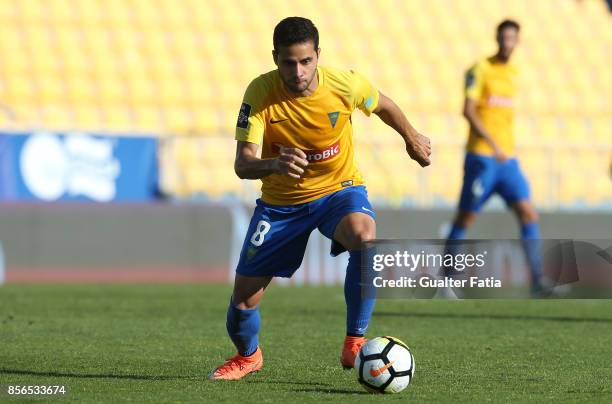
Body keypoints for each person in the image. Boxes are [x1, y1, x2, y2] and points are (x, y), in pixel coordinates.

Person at [209, 16, 431, 380]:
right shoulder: (260, 93)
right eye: (288, 62)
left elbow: (385, 106)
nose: (297, 71)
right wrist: (274, 163)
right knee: (243, 302)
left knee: (366, 238)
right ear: (275, 58)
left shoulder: (346, 84)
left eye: (305, 61)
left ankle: (355, 340)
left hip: (338, 190)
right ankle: (248, 355)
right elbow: (242, 164)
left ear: (317, 56)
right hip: (281, 205)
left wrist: (411, 137)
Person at [445, 19, 544, 293]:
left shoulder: (513, 73)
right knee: (466, 218)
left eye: (512, 38)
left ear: (517, 41)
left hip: (508, 161)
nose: (507, 43)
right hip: (482, 157)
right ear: (497, 38)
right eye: (503, 38)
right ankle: (447, 280)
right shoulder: (480, 69)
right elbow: (468, 110)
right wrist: (492, 142)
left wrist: (505, 148)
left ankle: (538, 281)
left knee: (528, 213)